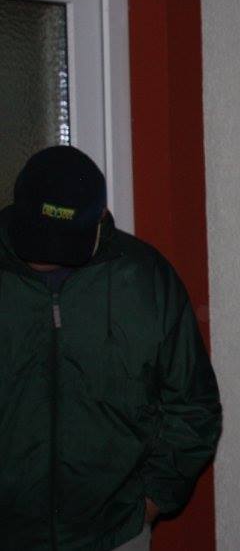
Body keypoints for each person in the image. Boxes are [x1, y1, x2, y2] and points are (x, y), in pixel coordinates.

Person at [0, 146, 221, 550]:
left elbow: (194, 406)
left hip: (114, 535)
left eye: (61, 244)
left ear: (100, 219)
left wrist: (149, 502)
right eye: (36, 236)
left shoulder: (144, 279)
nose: (45, 257)